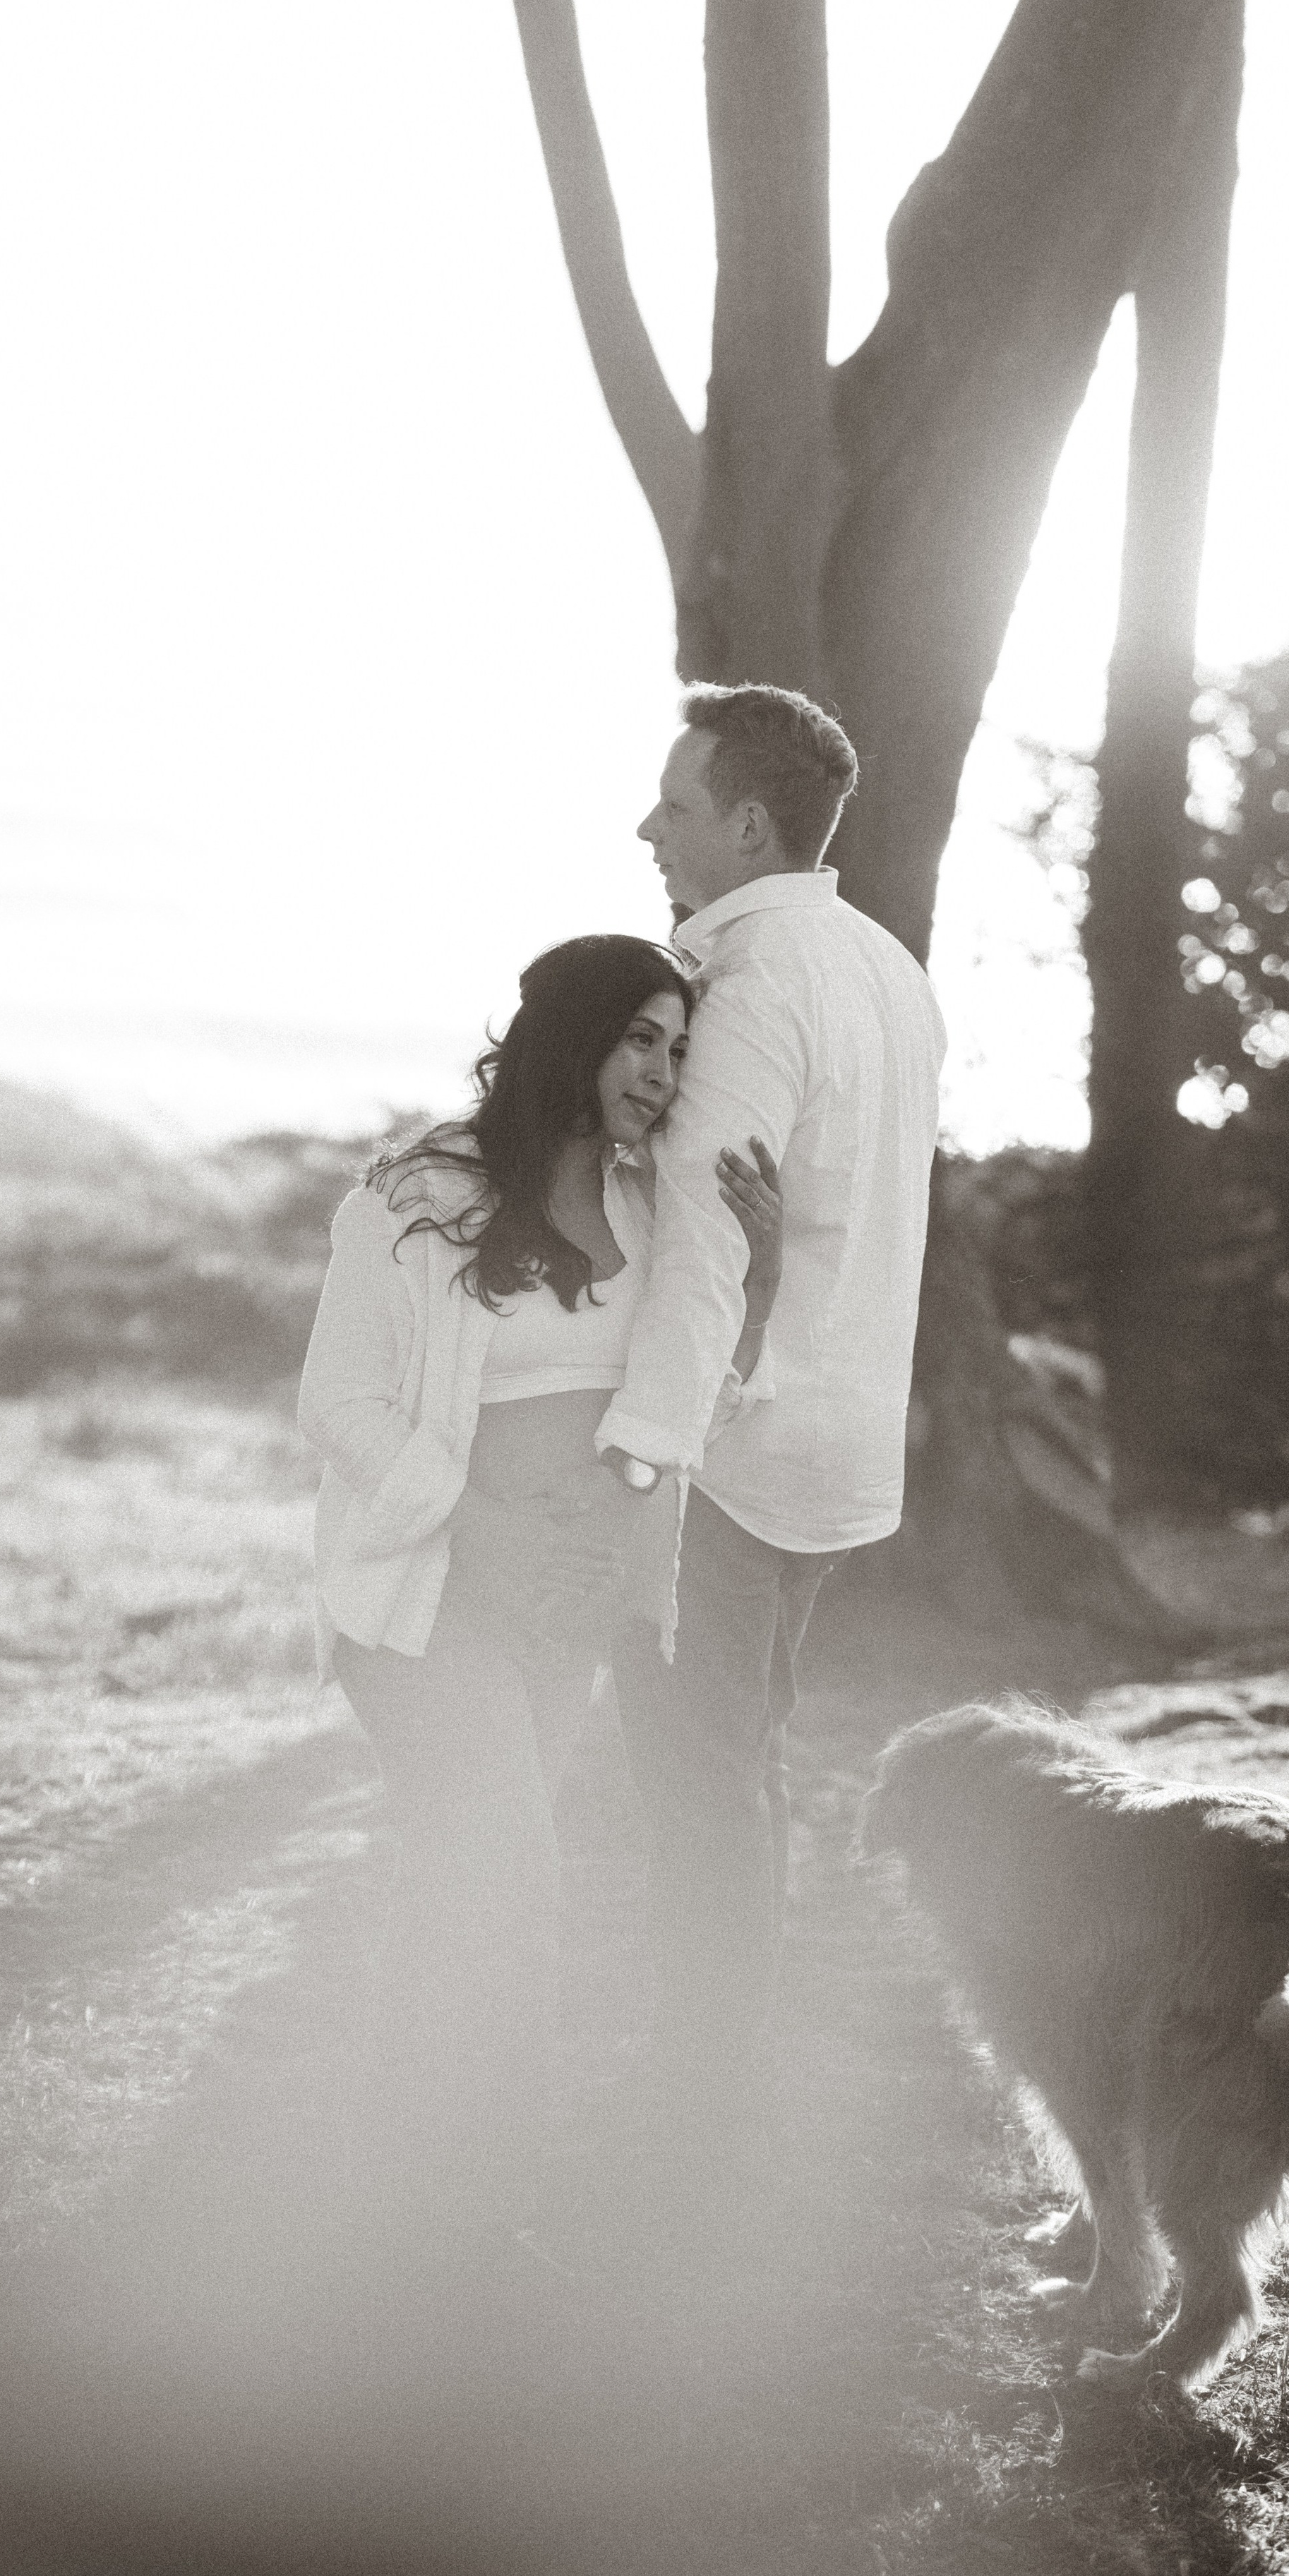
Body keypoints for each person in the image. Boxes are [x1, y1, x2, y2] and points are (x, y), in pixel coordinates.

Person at [296, 933, 784, 2202]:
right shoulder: (413, 1198)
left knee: (468, 1884)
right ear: (570, 1035)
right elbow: (335, 1403)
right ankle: (479, 2197)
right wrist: (476, 1520)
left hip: (564, 1614)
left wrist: (760, 1285)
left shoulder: (651, 1210)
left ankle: (402, 2181)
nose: (664, 1073)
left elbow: (685, 1417)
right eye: (640, 1039)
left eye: (679, 1050)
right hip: (428, 1599)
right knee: (509, 1875)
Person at [594, 682, 947, 2120]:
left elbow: (699, 1245)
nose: (645, 825)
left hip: (723, 1457)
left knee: (693, 1786)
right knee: (739, 1769)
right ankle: (719, 2068)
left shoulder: (744, 989)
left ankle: (699, 2095)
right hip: (834, 1446)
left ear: (747, 823)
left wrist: (635, 1456)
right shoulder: (888, 969)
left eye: (673, 805)